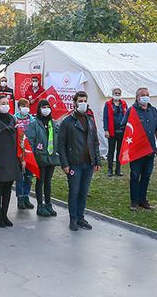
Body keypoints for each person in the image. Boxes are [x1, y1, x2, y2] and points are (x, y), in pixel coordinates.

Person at [58, 91, 100, 231]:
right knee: (74, 191)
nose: (83, 103)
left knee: (83, 191)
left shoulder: (90, 119)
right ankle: (73, 219)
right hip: (74, 163)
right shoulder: (67, 121)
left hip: (88, 163)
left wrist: (97, 160)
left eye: (84, 100)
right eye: (80, 101)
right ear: (74, 103)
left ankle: (81, 217)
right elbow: (61, 144)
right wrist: (65, 164)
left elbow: (95, 141)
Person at [0, 96, 23, 227]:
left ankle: (5, 215)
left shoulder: (13, 119)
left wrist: (21, 158)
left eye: (7, 103)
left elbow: (18, 140)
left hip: (11, 160)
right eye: (3, 103)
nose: (6, 105)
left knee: (8, 189)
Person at [126, 88, 157, 211]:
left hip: (150, 150)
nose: (145, 97)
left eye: (147, 95)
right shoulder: (131, 111)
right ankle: (134, 202)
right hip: (136, 151)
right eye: (142, 95)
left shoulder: (153, 110)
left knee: (146, 175)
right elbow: (125, 128)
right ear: (137, 97)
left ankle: (143, 200)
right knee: (135, 176)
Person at [26, 99, 59, 217]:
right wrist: (32, 157)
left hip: (51, 157)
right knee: (40, 181)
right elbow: (31, 141)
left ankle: (48, 204)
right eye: (43, 107)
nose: (46, 109)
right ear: (39, 109)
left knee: (48, 181)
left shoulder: (53, 123)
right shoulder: (34, 124)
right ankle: (40, 205)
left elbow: (57, 139)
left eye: (47, 107)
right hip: (40, 158)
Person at [13, 98, 35, 210]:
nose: (25, 108)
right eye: (22, 105)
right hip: (19, 152)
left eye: (27, 105)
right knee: (20, 177)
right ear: (19, 107)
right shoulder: (14, 118)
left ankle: (26, 196)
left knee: (29, 176)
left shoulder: (33, 120)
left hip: (30, 152)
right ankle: (20, 198)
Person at [102, 87, 127, 177]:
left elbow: (127, 116)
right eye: (115, 93)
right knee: (111, 151)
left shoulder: (124, 104)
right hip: (112, 131)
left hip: (122, 131)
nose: (117, 94)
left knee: (120, 151)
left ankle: (118, 169)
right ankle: (110, 169)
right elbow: (105, 118)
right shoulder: (108, 104)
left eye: (118, 93)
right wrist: (106, 130)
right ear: (112, 94)